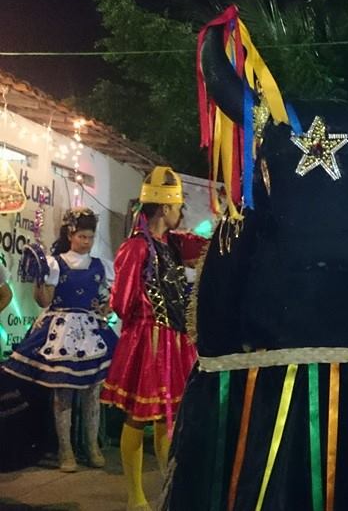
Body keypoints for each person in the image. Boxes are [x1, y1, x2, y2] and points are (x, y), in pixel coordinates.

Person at [100, 167, 206, 511]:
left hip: (173, 340)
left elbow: (203, 246)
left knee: (166, 417)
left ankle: (167, 489)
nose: (181, 214)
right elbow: (122, 301)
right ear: (164, 208)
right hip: (148, 341)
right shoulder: (136, 247)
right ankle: (135, 496)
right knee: (138, 416)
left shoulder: (171, 244)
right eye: (178, 207)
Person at [2, 208, 116, 472]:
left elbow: (108, 299)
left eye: (90, 237)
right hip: (61, 329)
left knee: (93, 391)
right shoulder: (55, 263)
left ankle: (92, 446)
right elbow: (44, 301)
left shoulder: (100, 265)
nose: (87, 242)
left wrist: (106, 307)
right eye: (82, 236)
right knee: (62, 392)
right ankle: (66, 450)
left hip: (90, 330)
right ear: (70, 235)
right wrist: (39, 279)